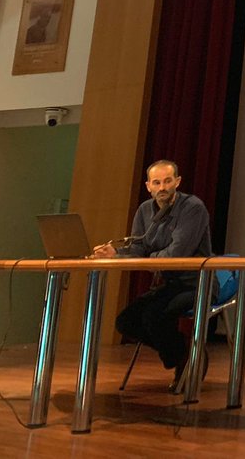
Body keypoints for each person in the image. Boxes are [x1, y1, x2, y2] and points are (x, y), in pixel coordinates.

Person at [91, 160, 213, 386]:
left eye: (167, 181)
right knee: (125, 322)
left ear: (178, 181)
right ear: (148, 186)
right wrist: (114, 252)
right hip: (167, 285)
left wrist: (135, 259)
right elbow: (138, 247)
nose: (162, 187)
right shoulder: (145, 210)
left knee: (152, 316)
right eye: (156, 183)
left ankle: (186, 359)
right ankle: (184, 353)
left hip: (196, 283)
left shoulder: (193, 207)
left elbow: (177, 254)